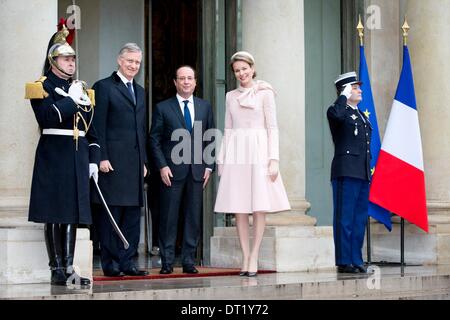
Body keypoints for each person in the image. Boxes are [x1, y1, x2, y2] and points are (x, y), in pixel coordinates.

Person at [26, 25, 99, 286]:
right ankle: (56, 268)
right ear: (53, 61)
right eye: (65, 59)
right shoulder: (41, 87)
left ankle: (68, 268)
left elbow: (91, 128)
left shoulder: (82, 88)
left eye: (72, 59)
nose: (71, 63)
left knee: (71, 213)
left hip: (77, 155)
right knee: (55, 211)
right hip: (54, 153)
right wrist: (70, 100)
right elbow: (47, 117)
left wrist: (92, 158)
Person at [214, 51, 291, 277]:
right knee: (239, 207)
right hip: (237, 151)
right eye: (237, 71)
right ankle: (245, 256)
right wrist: (222, 158)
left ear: (252, 68)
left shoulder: (265, 92)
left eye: (244, 69)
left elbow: (272, 127)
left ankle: (255, 254)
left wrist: (274, 159)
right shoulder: (230, 96)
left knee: (258, 206)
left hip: (259, 150)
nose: (241, 73)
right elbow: (227, 129)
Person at [149, 65, 215, 274]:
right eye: (182, 78)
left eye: (190, 78)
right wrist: (161, 166)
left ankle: (188, 261)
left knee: (193, 217)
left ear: (195, 82)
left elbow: (211, 136)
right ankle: (167, 262)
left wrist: (209, 166)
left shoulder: (204, 107)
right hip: (171, 172)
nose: (186, 82)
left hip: (197, 172)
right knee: (168, 218)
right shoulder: (163, 108)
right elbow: (154, 140)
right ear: (175, 83)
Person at [91, 43, 148, 277]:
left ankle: (128, 262)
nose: (134, 66)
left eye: (137, 62)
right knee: (111, 216)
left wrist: (143, 162)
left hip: (134, 164)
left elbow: (141, 129)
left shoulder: (141, 91)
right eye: (130, 61)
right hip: (111, 163)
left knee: (132, 216)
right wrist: (101, 156)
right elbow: (96, 126)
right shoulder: (103, 87)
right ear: (119, 60)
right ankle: (111, 264)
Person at [327, 72, 372, 274]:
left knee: (359, 218)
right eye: (355, 87)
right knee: (344, 218)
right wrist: (343, 97)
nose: (360, 90)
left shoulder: (361, 115)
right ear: (345, 90)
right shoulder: (337, 111)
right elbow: (336, 115)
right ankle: (344, 261)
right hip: (346, 171)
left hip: (362, 172)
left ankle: (356, 259)